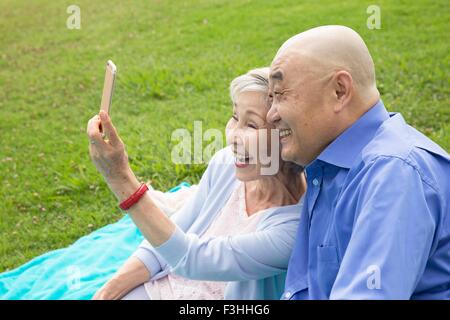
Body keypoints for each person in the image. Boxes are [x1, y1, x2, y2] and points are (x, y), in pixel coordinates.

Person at [86, 68, 307, 300]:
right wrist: (107, 292)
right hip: (165, 288)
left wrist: (119, 177)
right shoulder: (226, 164)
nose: (233, 136)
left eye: (251, 125)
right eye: (234, 117)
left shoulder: (293, 228)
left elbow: (190, 258)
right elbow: (170, 235)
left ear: (287, 138)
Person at [266, 25, 450, 299]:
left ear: (339, 91)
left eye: (280, 94)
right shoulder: (325, 166)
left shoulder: (394, 172)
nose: (270, 115)